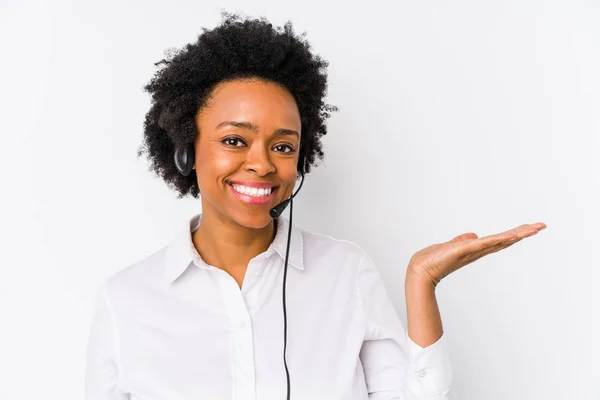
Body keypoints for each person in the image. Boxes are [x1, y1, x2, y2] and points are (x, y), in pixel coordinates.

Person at [85, 11, 547, 400]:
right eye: (234, 140)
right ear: (186, 150)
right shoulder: (126, 299)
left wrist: (421, 283)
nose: (262, 164)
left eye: (283, 147)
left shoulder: (346, 272)